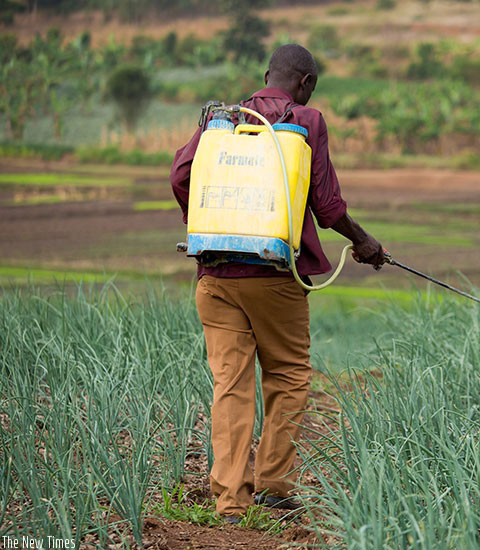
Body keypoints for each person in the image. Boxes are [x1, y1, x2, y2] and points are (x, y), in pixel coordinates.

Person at [170, 43, 384, 523]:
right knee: (287, 376)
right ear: (305, 83)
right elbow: (327, 207)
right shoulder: (306, 121)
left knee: (230, 385)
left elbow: (181, 175)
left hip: (216, 276)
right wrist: (365, 242)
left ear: (267, 74)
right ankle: (273, 487)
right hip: (274, 278)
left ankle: (229, 502)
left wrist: (206, 226)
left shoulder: (222, 119)